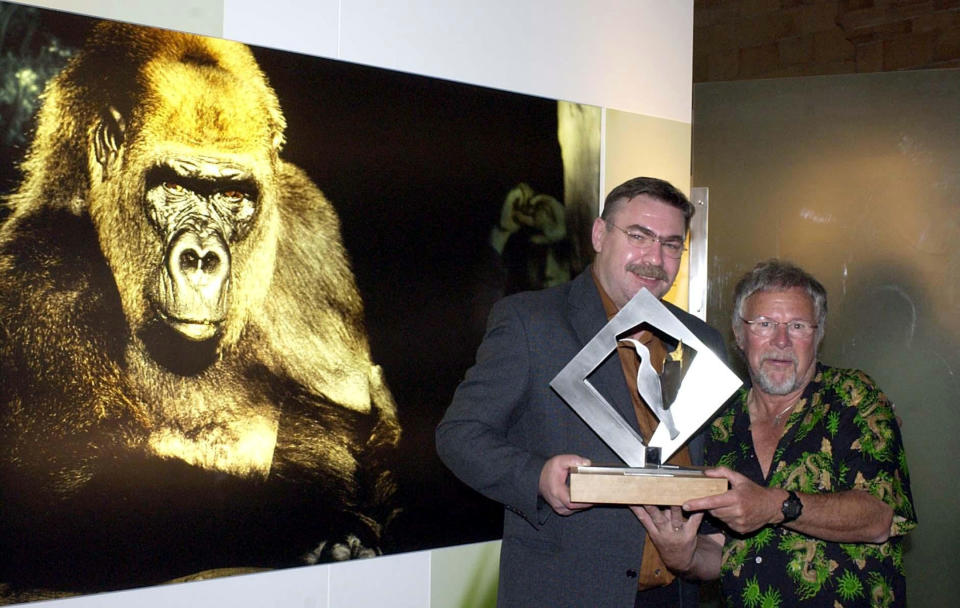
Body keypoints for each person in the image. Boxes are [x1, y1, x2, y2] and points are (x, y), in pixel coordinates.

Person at [436, 177, 726, 607]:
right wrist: (537, 477)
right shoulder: (529, 322)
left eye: (670, 244)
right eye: (638, 236)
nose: (654, 258)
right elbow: (458, 435)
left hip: (674, 594)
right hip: (567, 592)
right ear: (598, 234)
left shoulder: (700, 340)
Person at [632, 259, 917, 607]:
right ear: (739, 334)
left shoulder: (854, 396)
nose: (781, 341)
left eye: (797, 326)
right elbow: (722, 550)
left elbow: (879, 517)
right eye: (764, 324)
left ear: (819, 334)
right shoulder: (718, 421)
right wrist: (685, 556)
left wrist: (775, 505)